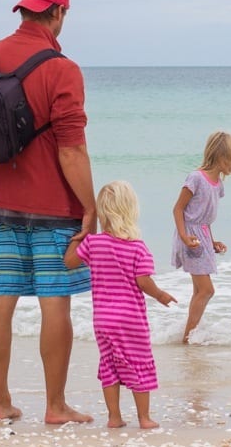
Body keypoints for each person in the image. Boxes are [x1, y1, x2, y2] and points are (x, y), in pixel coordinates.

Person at [0, 0, 97, 424]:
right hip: (53, 209)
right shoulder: (63, 69)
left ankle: (0, 404)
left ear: (22, 9)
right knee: (54, 302)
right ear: (60, 13)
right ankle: (55, 406)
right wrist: (90, 208)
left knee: (0, 296)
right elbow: (72, 148)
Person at [64, 180, 177, 429]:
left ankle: (114, 418)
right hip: (130, 320)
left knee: (109, 365)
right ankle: (144, 418)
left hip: (103, 320)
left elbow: (69, 262)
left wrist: (80, 236)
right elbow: (144, 281)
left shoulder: (93, 244)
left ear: (103, 212)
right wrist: (160, 295)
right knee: (139, 363)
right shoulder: (138, 248)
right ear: (130, 211)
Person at [172, 131, 231, 343]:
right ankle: (189, 337)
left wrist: (212, 242)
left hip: (202, 236)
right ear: (221, 157)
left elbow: (206, 220)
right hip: (191, 237)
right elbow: (177, 209)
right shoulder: (196, 178)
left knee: (199, 290)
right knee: (206, 290)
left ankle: (190, 334)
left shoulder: (218, 185)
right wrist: (185, 237)